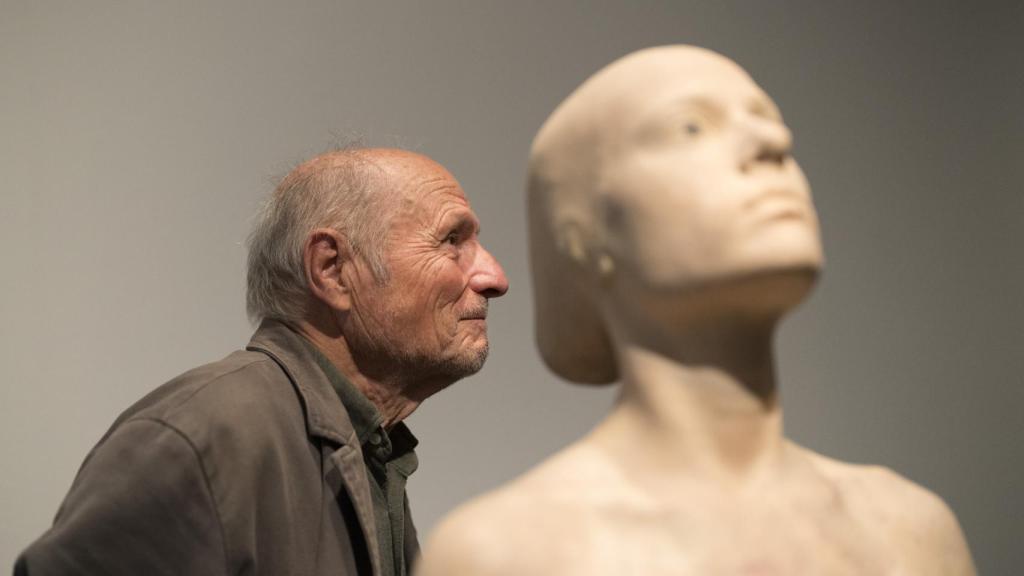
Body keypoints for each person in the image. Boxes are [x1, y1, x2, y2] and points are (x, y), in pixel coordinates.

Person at [417, 46, 975, 575]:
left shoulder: (912, 533)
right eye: (690, 126)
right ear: (582, 236)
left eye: (767, 117)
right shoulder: (506, 555)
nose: (772, 139)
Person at [15, 148, 508, 576]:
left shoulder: (369, 448)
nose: (494, 276)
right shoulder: (199, 438)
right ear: (333, 270)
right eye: (451, 242)